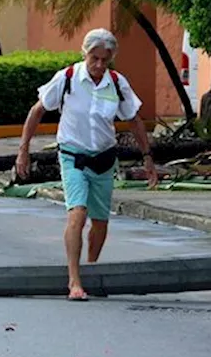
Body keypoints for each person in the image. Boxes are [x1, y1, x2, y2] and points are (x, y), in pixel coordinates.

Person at [16, 28, 156, 301]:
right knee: (77, 214)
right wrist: (24, 150)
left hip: (104, 158)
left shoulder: (116, 82)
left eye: (105, 59)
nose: (99, 65)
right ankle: (74, 280)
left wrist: (147, 156)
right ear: (85, 54)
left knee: (100, 224)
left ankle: (91, 269)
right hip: (73, 155)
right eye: (94, 58)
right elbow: (38, 110)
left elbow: (134, 120)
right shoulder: (67, 78)